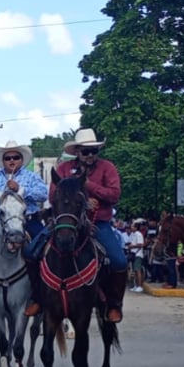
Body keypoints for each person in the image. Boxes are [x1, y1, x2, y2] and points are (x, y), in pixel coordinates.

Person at [29, 128, 129, 323]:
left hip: (98, 222)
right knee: (31, 251)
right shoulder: (64, 169)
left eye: (93, 151)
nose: (90, 155)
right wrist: (81, 201)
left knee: (119, 261)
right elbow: (53, 196)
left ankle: (114, 304)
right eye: (85, 151)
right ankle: (37, 298)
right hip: (65, 222)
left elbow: (114, 194)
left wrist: (90, 187)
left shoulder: (107, 168)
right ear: (77, 152)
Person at [0, 141, 48, 308]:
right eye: (8, 158)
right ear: (3, 160)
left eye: (16, 157)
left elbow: (43, 194)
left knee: (45, 248)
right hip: (2, 223)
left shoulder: (31, 176)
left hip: (28, 221)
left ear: (21, 159)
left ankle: (40, 292)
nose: (12, 160)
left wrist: (22, 189)